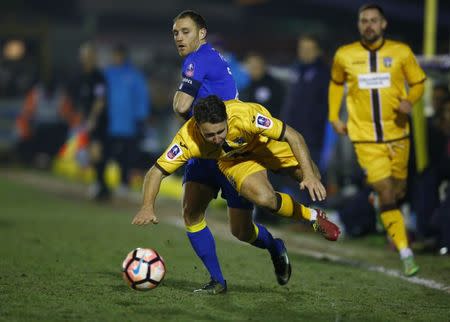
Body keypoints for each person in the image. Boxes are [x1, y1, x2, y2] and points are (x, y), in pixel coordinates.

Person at [132, 95, 341, 292]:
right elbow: (155, 172)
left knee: (312, 171)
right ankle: (313, 217)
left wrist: (309, 177)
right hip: (236, 160)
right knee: (260, 206)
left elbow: (294, 136)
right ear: (198, 128)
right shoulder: (187, 139)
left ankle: (309, 196)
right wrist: (147, 206)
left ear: (227, 120)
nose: (216, 139)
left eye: (220, 131)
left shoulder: (245, 116)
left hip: (267, 146)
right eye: (209, 135)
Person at [170, 10, 266, 295]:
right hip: (207, 149)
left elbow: (179, 105)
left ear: (201, 33)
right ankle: (217, 281)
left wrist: (181, 102)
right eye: (175, 32)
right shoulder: (209, 57)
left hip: (229, 152)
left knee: (242, 230)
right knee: (191, 212)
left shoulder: (197, 60)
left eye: (185, 31)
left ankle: (275, 246)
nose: (179, 37)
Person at [328, 4, 426, 276]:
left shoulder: (401, 53)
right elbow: (336, 83)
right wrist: (334, 115)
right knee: (385, 190)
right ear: (359, 25)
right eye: (363, 21)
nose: (368, 25)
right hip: (365, 137)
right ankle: (406, 252)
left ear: (383, 24)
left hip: (398, 134)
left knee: (397, 191)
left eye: (373, 20)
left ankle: (380, 205)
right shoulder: (345, 55)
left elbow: (418, 82)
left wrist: (410, 100)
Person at [103, 44, 150, 195]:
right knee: (107, 154)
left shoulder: (134, 76)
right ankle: (102, 183)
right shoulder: (107, 74)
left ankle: (124, 183)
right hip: (109, 123)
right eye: (115, 55)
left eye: (119, 55)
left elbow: (142, 97)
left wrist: (141, 117)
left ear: (124, 56)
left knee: (127, 156)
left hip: (128, 124)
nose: (117, 58)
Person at [15, 76, 79, 168]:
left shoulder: (61, 95)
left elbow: (68, 116)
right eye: (47, 89)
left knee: (61, 135)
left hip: (55, 131)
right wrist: (26, 131)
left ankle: (50, 161)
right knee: (24, 142)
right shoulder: (36, 94)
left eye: (51, 89)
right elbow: (25, 115)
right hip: (38, 130)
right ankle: (34, 161)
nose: (49, 92)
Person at [73, 42, 110, 200]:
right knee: (91, 153)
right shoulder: (82, 77)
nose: (86, 59)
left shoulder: (98, 77)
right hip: (87, 121)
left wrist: (93, 119)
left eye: (88, 56)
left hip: (98, 121)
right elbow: (81, 101)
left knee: (96, 152)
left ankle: (100, 186)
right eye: (84, 56)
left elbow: (100, 100)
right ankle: (101, 185)